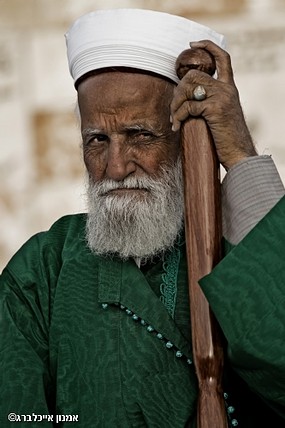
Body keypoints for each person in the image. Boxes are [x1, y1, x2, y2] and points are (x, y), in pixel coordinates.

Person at [0, 8, 285, 428]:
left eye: (140, 135)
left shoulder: (243, 242)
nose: (115, 167)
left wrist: (239, 157)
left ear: (187, 139)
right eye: (98, 140)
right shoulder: (44, 269)